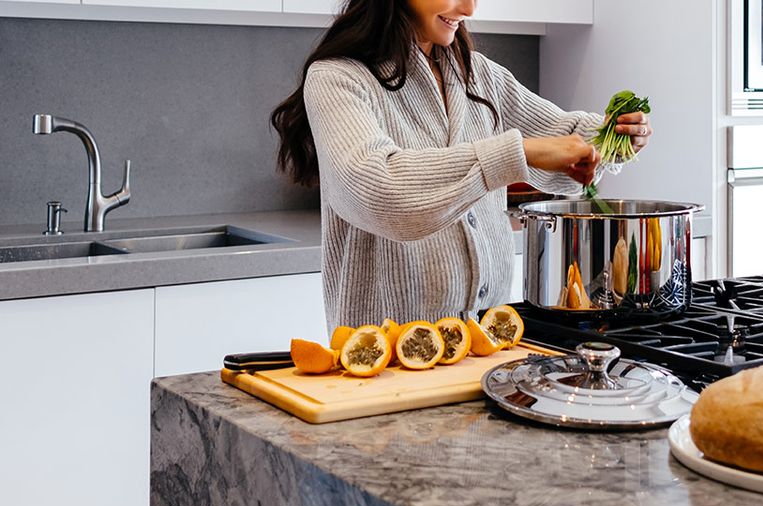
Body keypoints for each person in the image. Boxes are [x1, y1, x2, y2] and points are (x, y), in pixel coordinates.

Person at [271, 0, 652, 330]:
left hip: (487, 344)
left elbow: (562, 137)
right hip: (384, 360)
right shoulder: (338, 79)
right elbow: (379, 190)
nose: (469, 9)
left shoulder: (479, 74)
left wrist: (612, 136)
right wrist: (514, 154)